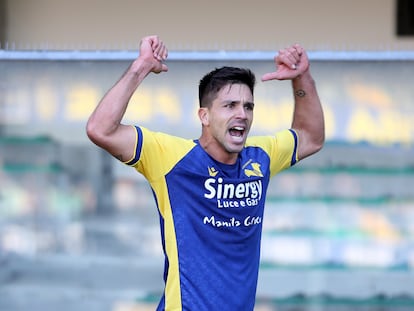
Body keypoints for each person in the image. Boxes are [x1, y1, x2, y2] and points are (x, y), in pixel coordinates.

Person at [86, 35, 324, 311]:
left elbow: (310, 136)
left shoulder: (261, 155)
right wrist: (141, 67)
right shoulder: (170, 158)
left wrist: (302, 78)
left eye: (248, 106)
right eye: (230, 105)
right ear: (204, 116)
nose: (243, 114)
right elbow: (100, 129)